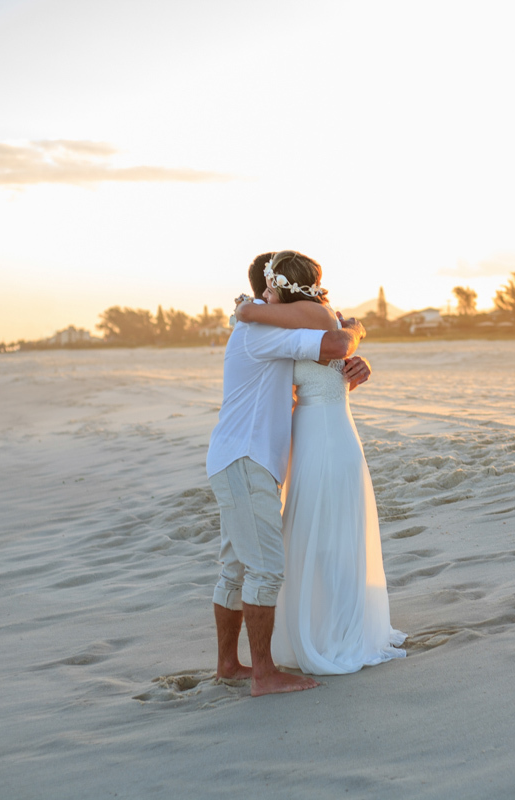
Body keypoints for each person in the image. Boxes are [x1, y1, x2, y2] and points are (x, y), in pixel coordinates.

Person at [206, 252, 369, 697]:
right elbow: (333, 344)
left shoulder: (261, 327)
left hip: (238, 457)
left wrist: (352, 368)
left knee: (236, 567)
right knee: (263, 570)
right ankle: (263, 674)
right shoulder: (261, 330)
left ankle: (228, 664)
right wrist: (354, 329)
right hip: (246, 459)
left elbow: (313, 373)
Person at [235, 251, 406, 675]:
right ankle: (328, 626)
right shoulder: (305, 318)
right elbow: (314, 374)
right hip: (314, 433)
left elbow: (336, 346)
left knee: (330, 534)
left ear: (281, 287)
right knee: (319, 531)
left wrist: (246, 308)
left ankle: (337, 632)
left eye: (271, 289)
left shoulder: (309, 314)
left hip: (327, 436)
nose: (266, 297)